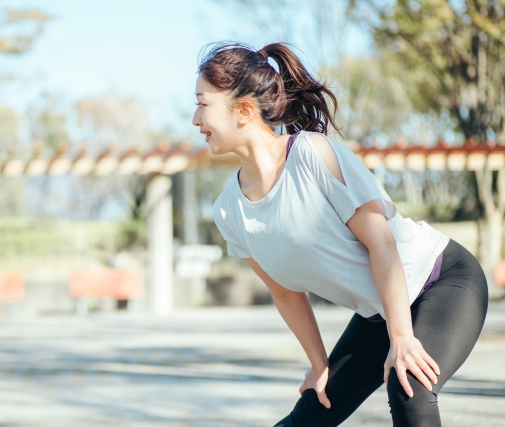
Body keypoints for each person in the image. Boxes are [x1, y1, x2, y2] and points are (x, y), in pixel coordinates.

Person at [192, 42, 488, 427]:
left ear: (244, 110)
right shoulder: (229, 210)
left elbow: (380, 241)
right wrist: (319, 365)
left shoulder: (312, 154)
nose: (196, 119)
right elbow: (284, 292)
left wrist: (401, 337)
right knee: (312, 413)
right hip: (378, 313)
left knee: (408, 385)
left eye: (203, 104)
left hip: (442, 280)